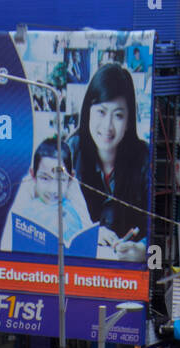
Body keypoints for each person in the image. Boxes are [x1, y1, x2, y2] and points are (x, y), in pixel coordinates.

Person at [66, 63, 149, 261]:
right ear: (87, 113)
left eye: (118, 115)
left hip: (127, 280)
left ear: (129, 121)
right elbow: (53, 214)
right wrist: (90, 235)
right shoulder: (70, 151)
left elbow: (160, 230)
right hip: (79, 274)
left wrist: (143, 251)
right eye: (101, 112)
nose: (108, 126)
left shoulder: (145, 158)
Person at [0, 139, 92, 251]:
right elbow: (8, 240)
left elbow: (87, 229)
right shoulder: (28, 184)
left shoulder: (72, 185)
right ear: (33, 175)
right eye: (44, 178)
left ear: (71, 177)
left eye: (60, 179)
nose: (53, 189)